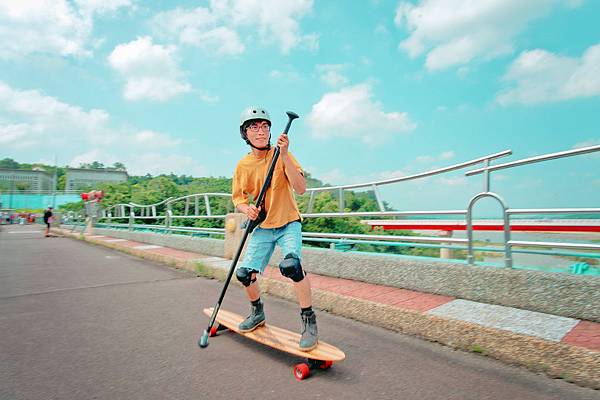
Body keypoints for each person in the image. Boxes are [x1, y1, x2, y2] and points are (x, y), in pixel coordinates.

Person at [232, 106, 318, 351]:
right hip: (263, 226)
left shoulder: (283, 153)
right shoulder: (243, 166)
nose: (260, 131)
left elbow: (300, 188)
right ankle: (257, 312)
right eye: (253, 127)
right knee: (244, 274)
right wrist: (246, 209)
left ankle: (309, 321)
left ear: (270, 130)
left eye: (264, 126)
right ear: (245, 134)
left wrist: (285, 155)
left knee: (292, 266)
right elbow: (238, 198)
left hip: (288, 221)